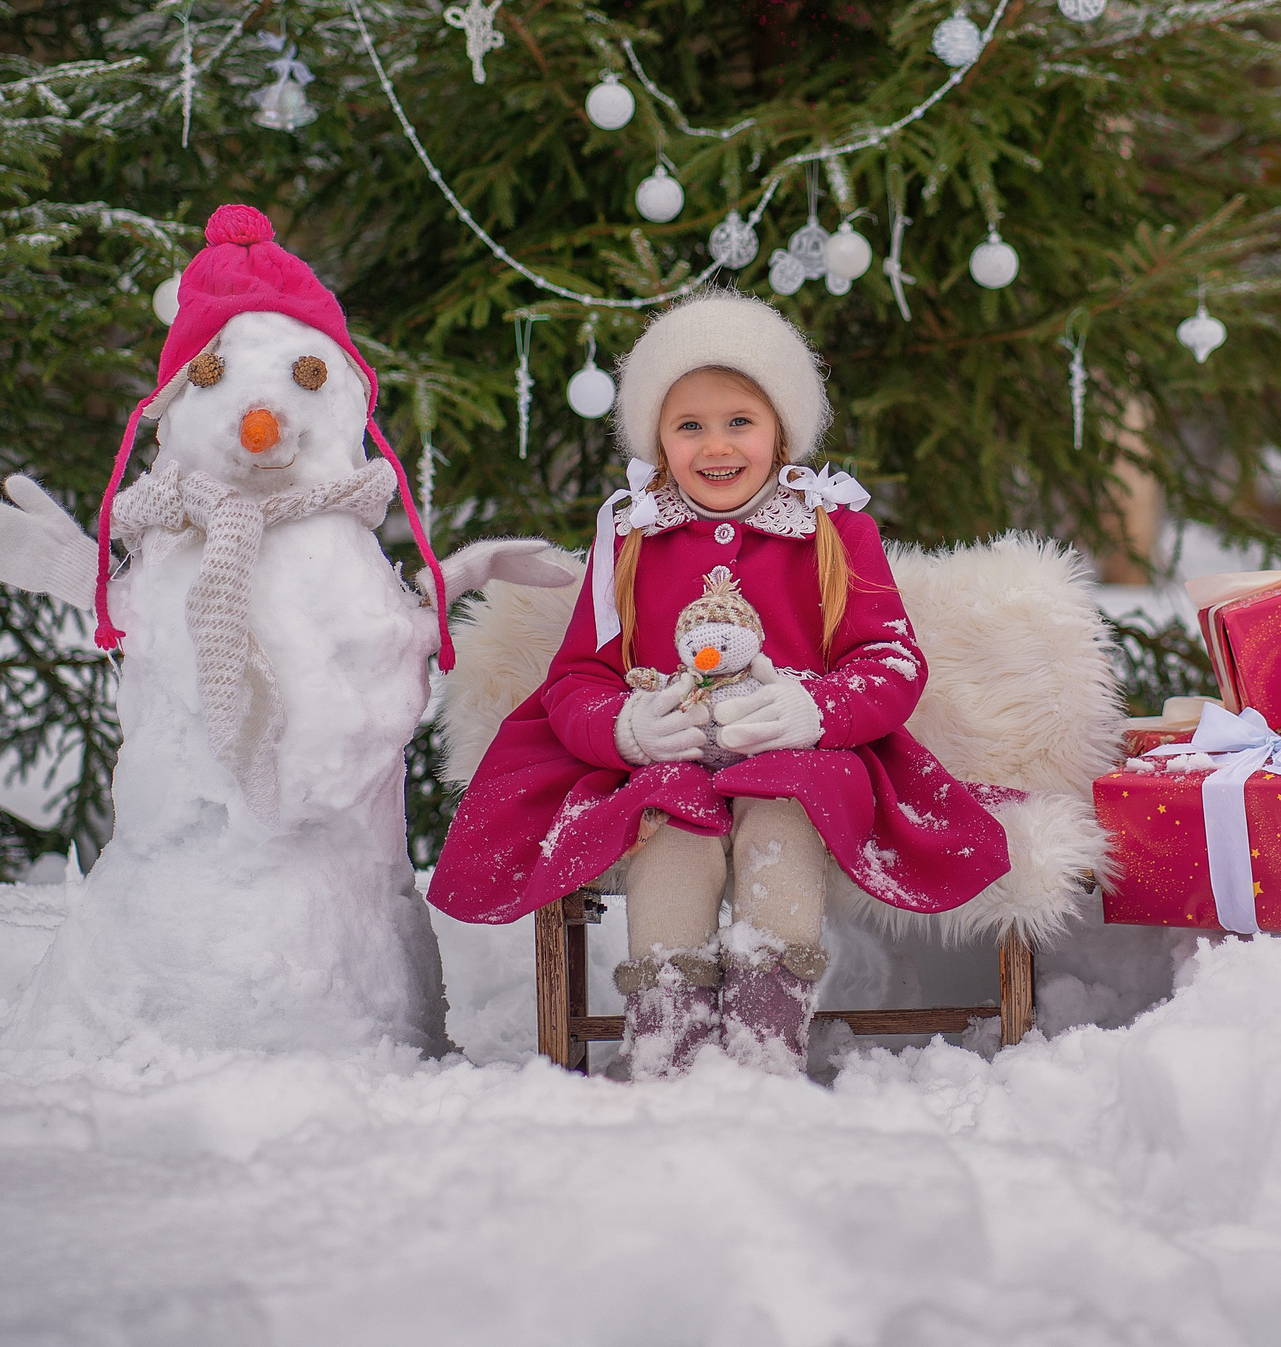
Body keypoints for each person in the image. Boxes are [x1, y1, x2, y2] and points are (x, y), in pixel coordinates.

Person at [428, 292, 1010, 1077]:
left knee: (782, 819)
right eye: (689, 425)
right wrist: (626, 727)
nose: (716, 445)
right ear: (658, 439)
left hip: (803, 760)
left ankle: (765, 1041)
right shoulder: (632, 536)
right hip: (669, 765)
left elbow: (892, 663)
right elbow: (577, 680)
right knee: (668, 825)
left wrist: (815, 707)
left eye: (740, 420)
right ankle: (667, 1045)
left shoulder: (835, 529)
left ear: (781, 429)